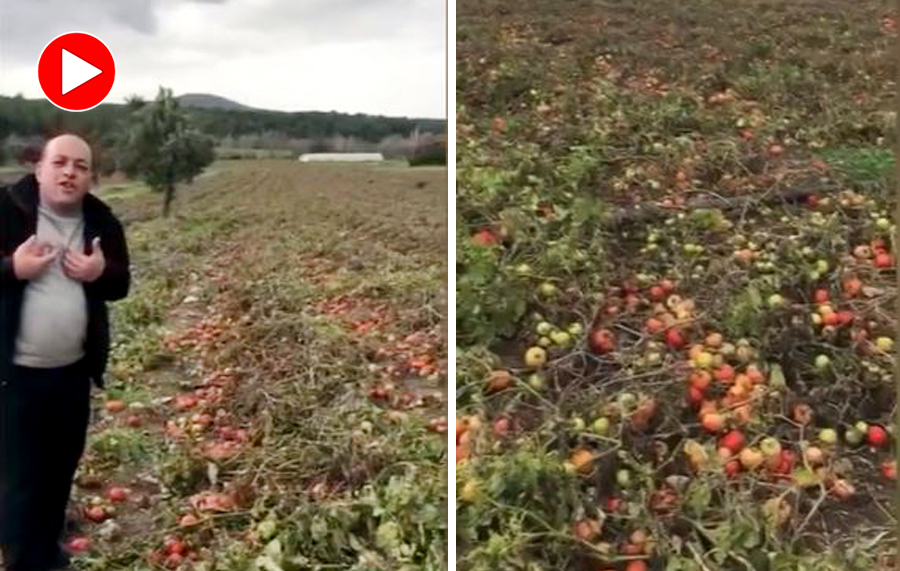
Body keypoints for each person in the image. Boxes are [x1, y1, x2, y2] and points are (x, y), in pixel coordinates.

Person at [0, 134, 130, 570]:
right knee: (20, 480)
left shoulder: (102, 221)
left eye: (80, 165)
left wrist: (99, 271)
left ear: (91, 177)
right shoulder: (7, 210)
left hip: (71, 375)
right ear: (40, 168)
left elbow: (121, 283)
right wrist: (12, 268)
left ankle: (47, 552)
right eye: (59, 162)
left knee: (58, 473)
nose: (69, 172)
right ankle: (22, 560)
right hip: (13, 376)